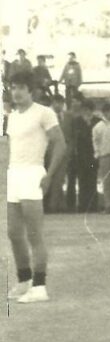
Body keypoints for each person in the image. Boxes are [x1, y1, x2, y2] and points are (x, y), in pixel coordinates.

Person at [5, 71, 67, 303]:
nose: (17, 92)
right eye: (13, 87)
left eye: (21, 87)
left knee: (34, 233)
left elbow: (61, 144)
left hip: (33, 173)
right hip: (15, 174)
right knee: (13, 233)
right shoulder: (11, 116)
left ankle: (40, 287)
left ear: (31, 90)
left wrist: (49, 175)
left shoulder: (44, 112)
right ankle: (24, 280)